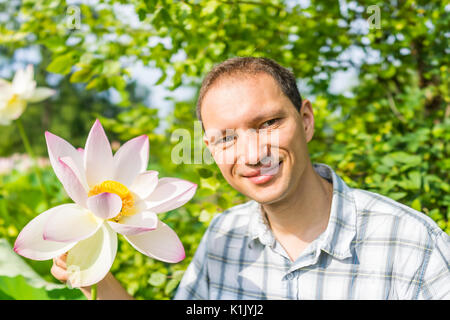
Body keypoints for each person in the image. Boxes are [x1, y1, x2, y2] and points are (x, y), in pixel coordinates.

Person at [52, 57, 450, 300]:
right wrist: (94, 273)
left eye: (268, 123)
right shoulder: (223, 235)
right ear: (210, 149)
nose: (253, 154)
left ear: (306, 121)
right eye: (226, 137)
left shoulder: (412, 244)